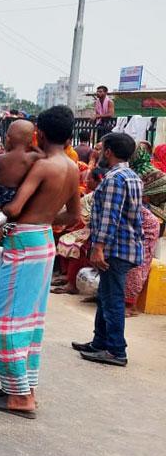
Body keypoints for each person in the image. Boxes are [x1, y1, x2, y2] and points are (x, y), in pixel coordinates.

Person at [0, 105, 81, 419]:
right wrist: (45, 220)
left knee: (9, 319)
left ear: (41, 134)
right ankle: (17, 385)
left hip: (23, 240)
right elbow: (74, 216)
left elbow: (16, 208)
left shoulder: (44, 166)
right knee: (27, 317)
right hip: (43, 240)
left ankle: (21, 397)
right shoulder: (73, 168)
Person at [74, 132, 144, 367]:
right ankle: (100, 342)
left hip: (116, 248)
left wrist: (99, 247)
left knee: (112, 298)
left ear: (109, 152)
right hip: (124, 245)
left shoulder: (115, 178)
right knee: (106, 295)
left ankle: (115, 350)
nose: (99, 152)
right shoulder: (131, 176)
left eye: (102, 148)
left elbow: (109, 217)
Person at [51, 168, 104, 295]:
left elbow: (88, 216)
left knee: (77, 246)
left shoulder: (98, 195)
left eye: (90, 178)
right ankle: (67, 276)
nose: (86, 180)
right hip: (88, 228)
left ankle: (72, 284)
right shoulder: (90, 194)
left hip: (95, 230)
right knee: (64, 237)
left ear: (97, 181)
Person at [0, 119, 42, 209]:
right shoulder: (30, 157)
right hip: (15, 194)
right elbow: (44, 155)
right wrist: (33, 146)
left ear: (8, 139)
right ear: (30, 141)